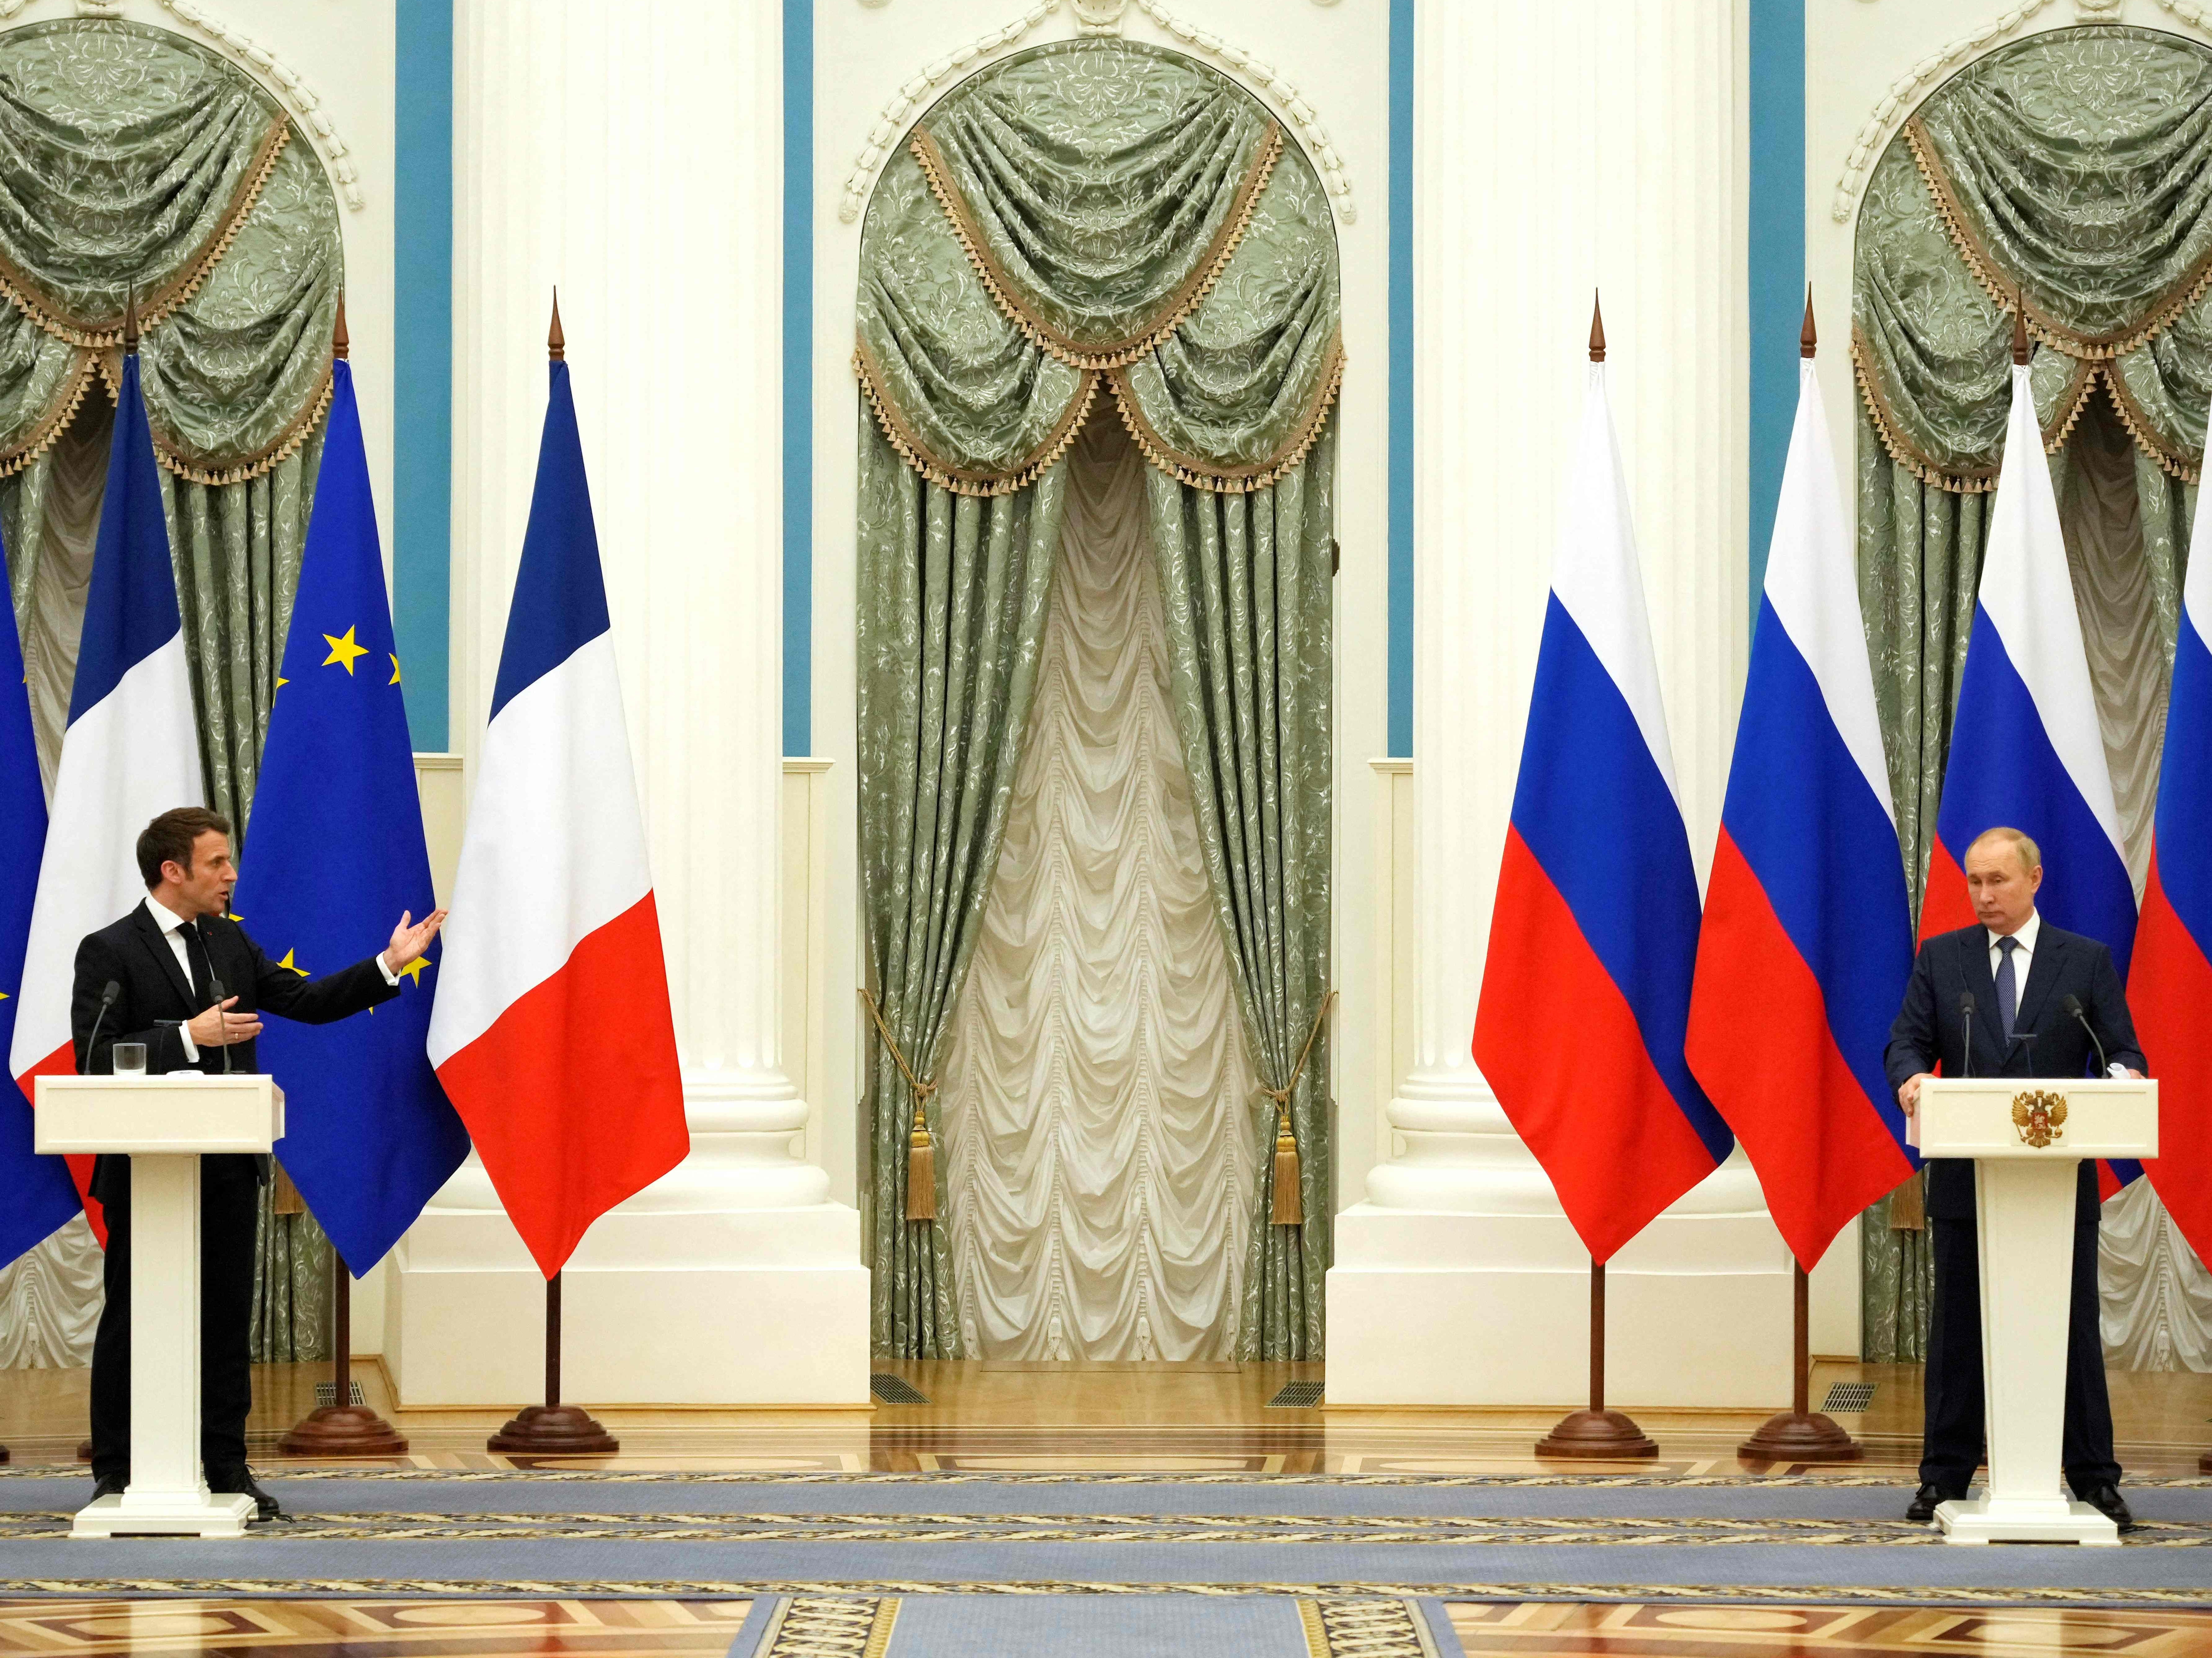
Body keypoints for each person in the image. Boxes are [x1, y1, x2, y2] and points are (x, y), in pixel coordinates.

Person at [75, 806, 445, 1520]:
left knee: (224, 1321)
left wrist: (387, 964)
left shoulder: (230, 942)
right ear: (172, 870)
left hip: (226, 1167)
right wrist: (188, 1035)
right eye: (217, 863)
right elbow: (95, 1056)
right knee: (130, 1317)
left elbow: (304, 1001)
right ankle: (116, 1471)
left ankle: (225, 1468)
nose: (232, 874)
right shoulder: (109, 950)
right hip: (145, 1175)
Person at [1885, 825, 2144, 1529]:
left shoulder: (2084, 961)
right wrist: (1911, 1077)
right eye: (1973, 881)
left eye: (1997, 880)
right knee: (1958, 1333)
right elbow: (1906, 1040)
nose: (1983, 894)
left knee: (2072, 1332)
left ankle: (2094, 1479)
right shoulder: (1943, 960)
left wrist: (2121, 1078)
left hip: (2058, 1190)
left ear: (2035, 879)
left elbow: (2120, 1049)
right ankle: (1943, 1479)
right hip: (1969, 1182)